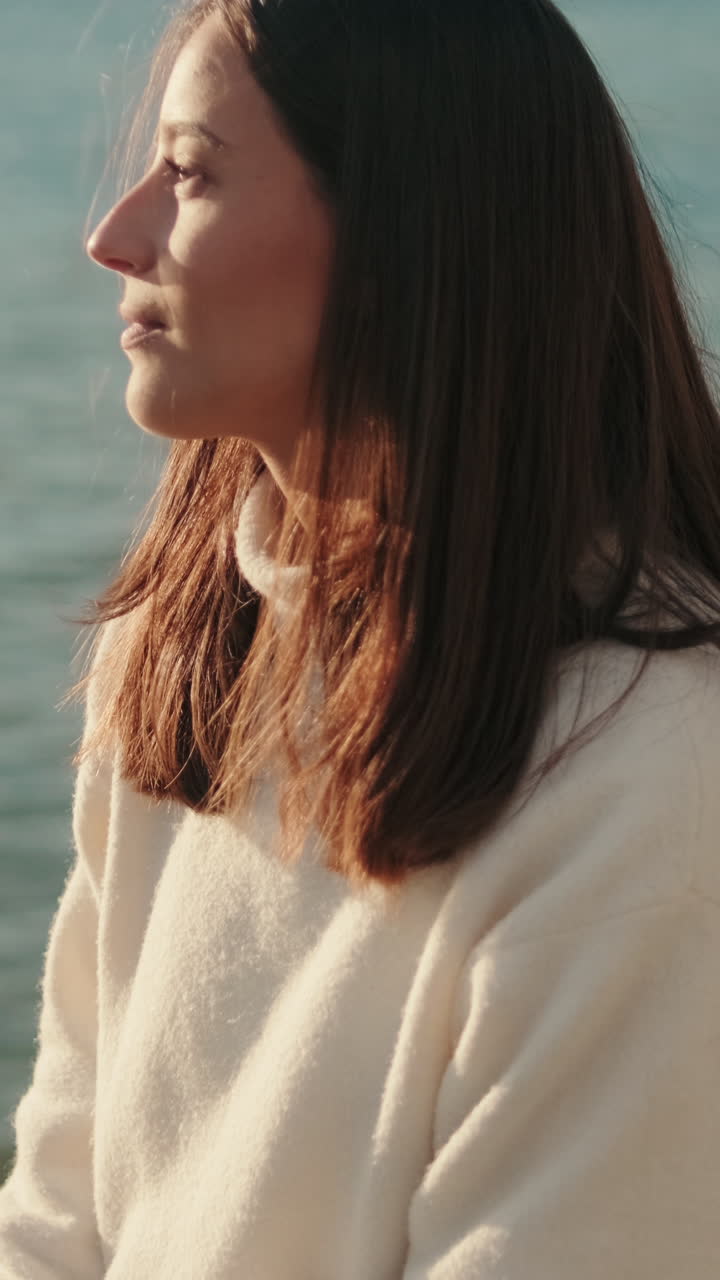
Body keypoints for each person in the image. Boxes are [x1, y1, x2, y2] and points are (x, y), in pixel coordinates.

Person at [2, 0, 720, 1274]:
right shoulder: (182, 651)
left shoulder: (648, 780)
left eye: (189, 174)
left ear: (405, 233)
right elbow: (57, 1214)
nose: (115, 238)